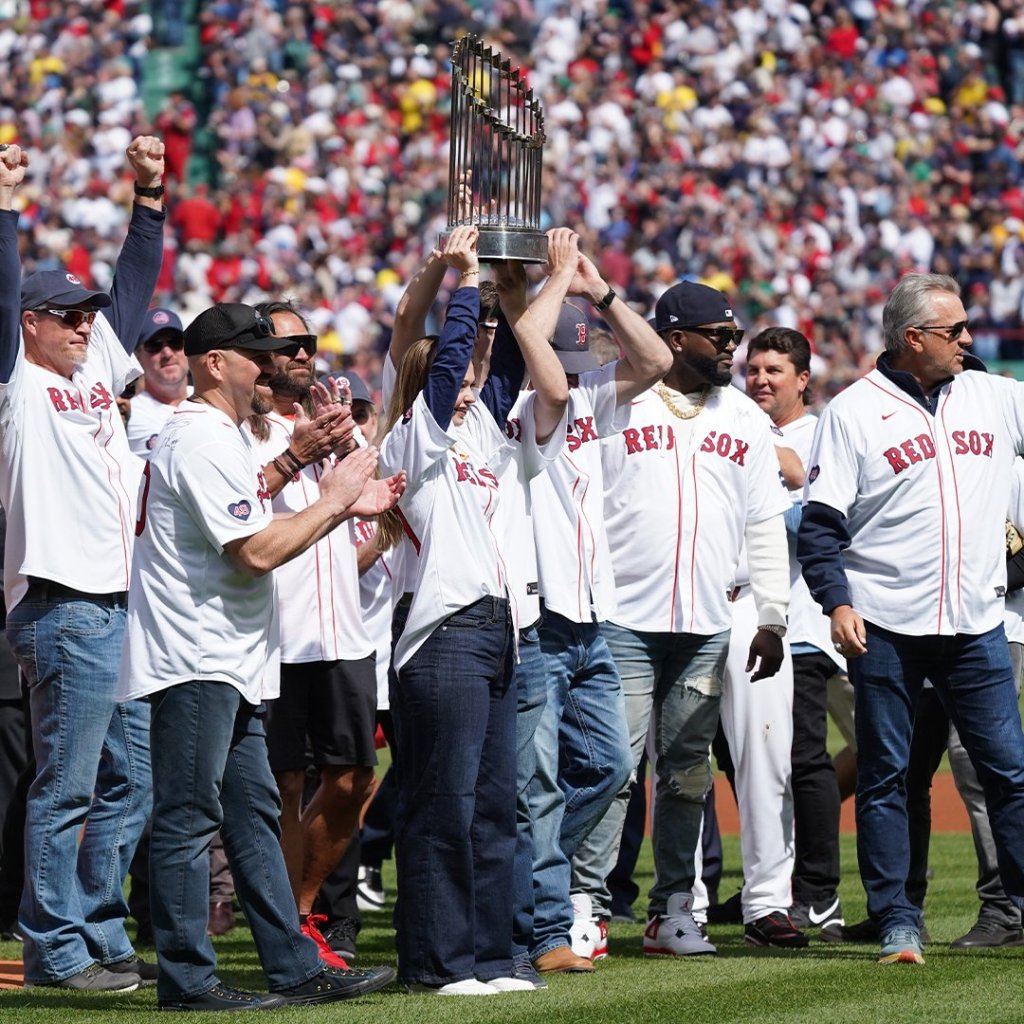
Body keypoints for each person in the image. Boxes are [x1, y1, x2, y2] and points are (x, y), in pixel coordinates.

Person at [117, 301, 403, 1010]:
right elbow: (256, 550)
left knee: (250, 816)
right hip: (196, 654)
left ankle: (292, 965)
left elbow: (247, 501)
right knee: (189, 817)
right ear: (216, 363)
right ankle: (186, 980)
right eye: (256, 353)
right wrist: (334, 499)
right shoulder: (202, 439)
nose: (272, 364)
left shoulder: (215, 436)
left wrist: (298, 461)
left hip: (232, 655)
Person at [797, 272, 1024, 966]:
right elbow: (820, 527)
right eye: (954, 331)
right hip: (887, 624)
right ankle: (898, 919)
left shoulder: (995, 395)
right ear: (912, 338)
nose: (968, 340)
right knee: (888, 775)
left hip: (977, 622)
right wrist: (836, 601)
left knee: (1010, 772)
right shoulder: (853, 412)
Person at [571, 280, 791, 956]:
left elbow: (764, 521)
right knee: (611, 769)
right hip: (622, 617)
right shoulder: (615, 400)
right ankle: (586, 904)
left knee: (689, 772)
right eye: (720, 337)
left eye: (734, 335)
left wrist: (774, 614)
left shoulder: (746, 420)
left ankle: (673, 910)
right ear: (675, 339)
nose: (734, 348)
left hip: (707, 618)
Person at [376, 224, 567, 994]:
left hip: (495, 629)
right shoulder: (410, 440)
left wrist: (513, 284)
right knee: (443, 807)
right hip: (441, 633)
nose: (469, 383)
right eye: (452, 379)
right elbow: (449, 356)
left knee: (494, 808)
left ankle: (491, 957)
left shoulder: (483, 427)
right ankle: (437, 962)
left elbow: (509, 361)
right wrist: (458, 283)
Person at [0, 137, 165, 992]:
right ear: (27, 322)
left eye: (84, 314)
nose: (84, 324)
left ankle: (100, 927)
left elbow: (132, 289)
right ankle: (53, 946)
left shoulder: (95, 361)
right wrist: (6, 206)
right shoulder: (14, 386)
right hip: (63, 604)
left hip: (120, 606)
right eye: (65, 313)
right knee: (65, 790)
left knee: (130, 785)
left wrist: (150, 196)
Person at [500, 239, 671, 974]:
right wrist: (558, 277)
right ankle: (540, 926)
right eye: (587, 349)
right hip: (540, 624)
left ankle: (509, 873)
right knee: (537, 785)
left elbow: (660, 362)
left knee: (605, 770)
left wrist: (599, 292)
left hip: (592, 621)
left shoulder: (590, 402)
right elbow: (541, 360)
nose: (597, 360)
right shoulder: (530, 407)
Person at [249, 299, 378, 970]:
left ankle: (295, 908)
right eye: (288, 345)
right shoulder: (247, 429)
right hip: (281, 632)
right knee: (286, 785)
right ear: (260, 354)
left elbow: (367, 519)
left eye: (309, 343)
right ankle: (294, 928)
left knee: (356, 778)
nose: (303, 354)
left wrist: (351, 448)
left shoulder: (331, 425)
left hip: (345, 631)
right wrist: (303, 455)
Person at [744, 327, 845, 940]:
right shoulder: (737, 425)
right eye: (753, 369)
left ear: (803, 379)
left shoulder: (820, 436)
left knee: (804, 761)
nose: (760, 379)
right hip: (737, 619)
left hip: (801, 623)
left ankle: (819, 895)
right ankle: (767, 891)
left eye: (774, 370)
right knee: (746, 762)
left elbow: (818, 528)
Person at [127, 306, 188, 457]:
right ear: (138, 357)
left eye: (175, 342)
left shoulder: (213, 399)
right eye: (154, 345)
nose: (167, 353)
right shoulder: (130, 413)